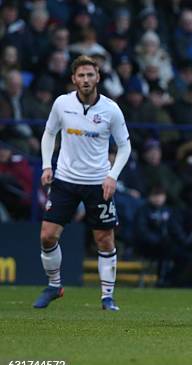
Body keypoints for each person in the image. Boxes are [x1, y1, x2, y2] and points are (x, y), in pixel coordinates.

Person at [33, 55, 131, 311]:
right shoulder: (62, 104)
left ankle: (107, 297)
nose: (86, 80)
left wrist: (112, 176)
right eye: (81, 75)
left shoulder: (111, 109)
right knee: (47, 236)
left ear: (98, 77)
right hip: (65, 179)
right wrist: (46, 165)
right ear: (73, 79)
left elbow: (124, 146)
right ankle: (55, 286)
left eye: (90, 75)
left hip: (98, 182)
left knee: (104, 239)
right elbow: (49, 133)